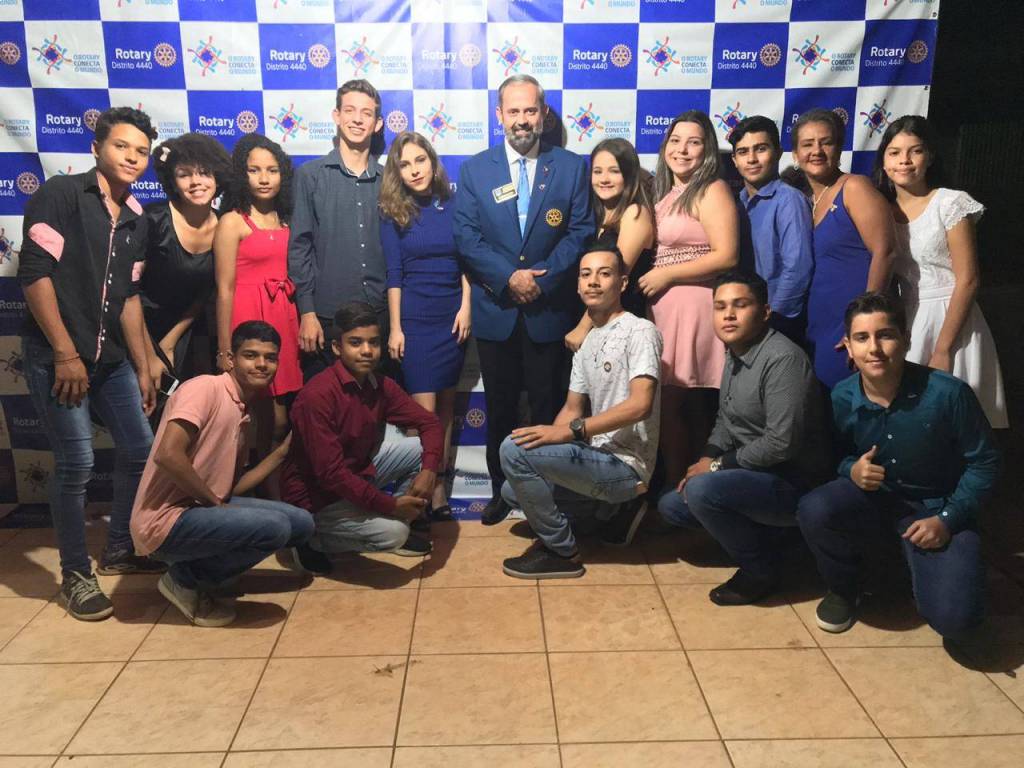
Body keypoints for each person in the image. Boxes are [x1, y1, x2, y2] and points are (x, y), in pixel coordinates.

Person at [19, 106, 163, 621]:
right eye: (122, 146)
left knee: (140, 450)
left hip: (112, 360)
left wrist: (143, 366)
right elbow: (34, 275)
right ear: (97, 148)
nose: (132, 157)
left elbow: (128, 298)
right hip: (58, 356)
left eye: (141, 151)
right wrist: (64, 353)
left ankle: (120, 547)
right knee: (77, 462)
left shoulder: (137, 218)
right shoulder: (60, 195)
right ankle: (76, 573)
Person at [797, 292, 1000, 638]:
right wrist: (852, 469)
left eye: (885, 335)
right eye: (862, 338)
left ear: (905, 340)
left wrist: (948, 518)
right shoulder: (841, 396)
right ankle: (846, 587)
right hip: (876, 501)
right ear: (848, 346)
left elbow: (985, 462)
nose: (874, 348)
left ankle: (929, 569)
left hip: (937, 507)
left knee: (957, 621)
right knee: (815, 508)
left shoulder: (948, 394)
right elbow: (834, 456)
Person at [453, 74, 592, 525]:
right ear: (499, 115)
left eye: (530, 110)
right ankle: (501, 492)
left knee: (549, 409)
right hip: (497, 312)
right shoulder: (476, 170)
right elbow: (467, 237)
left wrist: (540, 282)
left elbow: (580, 232)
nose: (522, 119)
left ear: (543, 114)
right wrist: (508, 278)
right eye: (513, 111)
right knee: (501, 408)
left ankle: (547, 495)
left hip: (549, 312)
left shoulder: (570, 167)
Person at [657, 271, 830, 605]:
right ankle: (770, 540)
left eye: (740, 305)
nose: (729, 315)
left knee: (703, 491)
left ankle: (760, 570)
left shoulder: (782, 359)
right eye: (720, 306)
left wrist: (716, 467)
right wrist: (706, 457)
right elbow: (726, 417)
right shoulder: (735, 352)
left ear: (764, 312)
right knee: (672, 505)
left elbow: (781, 443)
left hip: (793, 480)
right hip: (752, 473)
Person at [130, 321, 313, 627]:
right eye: (250, 355)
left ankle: (211, 573)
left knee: (301, 523)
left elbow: (231, 488)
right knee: (276, 528)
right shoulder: (205, 388)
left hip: (199, 510)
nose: (261, 364)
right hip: (164, 522)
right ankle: (185, 579)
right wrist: (214, 504)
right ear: (230, 359)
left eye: (270, 358)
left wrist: (282, 452)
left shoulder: (242, 408)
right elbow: (167, 455)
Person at [501, 245, 662, 578]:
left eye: (605, 274)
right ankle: (605, 513)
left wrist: (571, 432)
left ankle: (561, 551)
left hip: (625, 465)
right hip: (594, 457)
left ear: (622, 283)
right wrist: (544, 441)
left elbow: (640, 404)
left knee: (512, 452)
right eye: (586, 274)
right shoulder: (586, 342)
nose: (594, 282)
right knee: (512, 488)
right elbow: (572, 408)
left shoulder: (640, 331)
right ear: (577, 285)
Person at [281, 301, 443, 574]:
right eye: (355, 343)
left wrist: (429, 471)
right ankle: (309, 537)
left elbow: (429, 423)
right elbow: (331, 474)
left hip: (356, 474)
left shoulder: (379, 384)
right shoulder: (317, 395)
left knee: (420, 449)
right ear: (337, 348)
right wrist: (390, 506)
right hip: (316, 498)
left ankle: (393, 514)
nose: (367, 351)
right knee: (394, 534)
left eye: (374, 342)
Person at [874, 115, 1008, 428]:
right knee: (911, 423)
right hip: (908, 319)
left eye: (915, 151)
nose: (904, 161)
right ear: (883, 159)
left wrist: (943, 349)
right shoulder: (880, 210)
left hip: (952, 319)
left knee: (957, 421)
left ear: (930, 156)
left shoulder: (950, 203)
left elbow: (969, 280)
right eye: (895, 152)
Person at [638, 110, 739, 492]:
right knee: (679, 406)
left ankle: (678, 491)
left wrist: (667, 275)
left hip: (692, 306)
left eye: (693, 142)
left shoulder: (712, 189)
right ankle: (685, 491)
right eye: (675, 141)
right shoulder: (665, 193)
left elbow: (727, 255)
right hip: (665, 309)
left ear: (707, 150)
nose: (682, 150)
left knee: (676, 403)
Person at [380, 131, 470, 521]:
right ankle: (421, 491)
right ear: (396, 172)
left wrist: (466, 307)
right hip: (415, 319)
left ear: (432, 162)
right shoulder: (392, 211)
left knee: (446, 407)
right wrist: (395, 328)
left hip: (452, 316)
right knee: (425, 416)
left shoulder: (455, 204)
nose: (415, 170)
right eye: (405, 164)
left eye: (420, 160)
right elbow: (394, 274)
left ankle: (438, 488)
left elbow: (467, 261)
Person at [788, 108, 894, 390]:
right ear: (795, 155)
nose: (817, 151)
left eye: (826, 142)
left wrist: (865, 327)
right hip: (819, 325)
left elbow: (885, 252)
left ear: (839, 148)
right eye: (807, 144)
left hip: (852, 325)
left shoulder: (855, 187)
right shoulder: (806, 201)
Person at [288, 79, 386, 380]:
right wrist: (307, 312)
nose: (357, 119)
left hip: (379, 313)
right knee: (324, 404)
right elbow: (299, 248)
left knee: (376, 404)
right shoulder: (310, 176)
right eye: (350, 110)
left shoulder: (389, 180)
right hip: (326, 316)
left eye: (366, 113)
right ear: (336, 116)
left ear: (378, 124)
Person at [215, 133, 301, 439]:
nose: (264, 178)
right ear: (242, 174)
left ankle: (269, 472)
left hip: (284, 318)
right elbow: (224, 289)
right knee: (250, 418)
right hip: (248, 318)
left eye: (272, 170)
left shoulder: (289, 220)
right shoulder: (232, 221)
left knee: (279, 421)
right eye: (254, 170)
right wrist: (224, 348)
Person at [141, 133, 231, 388]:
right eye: (184, 174)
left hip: (189, 333)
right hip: (139, 331)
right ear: (172, 180)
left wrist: (170, 343)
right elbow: (128, 292)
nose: (196, 182)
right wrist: (150, 353)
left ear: (217, 177)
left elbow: (208, 292)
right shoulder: (153, 219)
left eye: (204, 173)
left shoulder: (225, 224)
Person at [564, 138, 655, 352]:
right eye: (598, 172)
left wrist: (583, 327)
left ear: (629, 174)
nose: (604, 179)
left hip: (618, 326)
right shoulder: (592, 215)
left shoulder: (635, 214)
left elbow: (612, 281)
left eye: (614, 171)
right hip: (591, 317)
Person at [729, 116, 814, 344]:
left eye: (761, 149)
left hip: (777, 326)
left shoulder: (789, 200)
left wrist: (772, 320)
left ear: (777, 152)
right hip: (744, 323)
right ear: (734, 160)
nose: (752, 159)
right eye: (743, 152)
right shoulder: (736, 203)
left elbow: (797, 268)